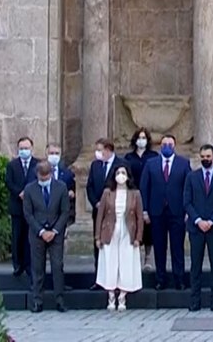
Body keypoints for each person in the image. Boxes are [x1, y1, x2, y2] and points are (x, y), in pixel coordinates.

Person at [139, 134, 190, 290]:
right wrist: (145, 210)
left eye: (170, 143)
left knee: (177, 247)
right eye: (164, 144)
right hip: (156, 212)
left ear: (174, 146)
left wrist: (187, 209)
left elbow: (188, 188)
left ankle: (179, 279)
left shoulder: (183, 163)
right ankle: (160, 279)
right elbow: (144, 187)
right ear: (160, 146)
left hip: (177, 211)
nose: (167, 146)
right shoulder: (151, 164)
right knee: (159, 247)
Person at [183, 145, 213, 311]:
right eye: (203, 156)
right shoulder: (191, 177)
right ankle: (195, 301)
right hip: (196, 228)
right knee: (195, 266)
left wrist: (211, 221)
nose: (205, 159)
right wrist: (198, 220)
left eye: (208, 156)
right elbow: (187, 202)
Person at [94, 164, 143, 312]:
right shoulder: (107, 193)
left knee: (126, 263)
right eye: (118, 173)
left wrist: (138, 238)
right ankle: (110, 296)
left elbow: (139, 217)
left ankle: (122, 295)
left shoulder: (135, 194)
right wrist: (97, 237)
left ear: (128, 176)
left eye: (123, 173)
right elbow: (100, 216)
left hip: (128, 232)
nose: (120, 175)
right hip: (110, 232)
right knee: (110, 262)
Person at [24, 160, 71, 313]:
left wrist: (55, 230)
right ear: (37, 174)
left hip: (56, 234)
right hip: (37, 234)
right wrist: (41, 232)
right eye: (41, 177)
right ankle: (37, 300)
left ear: (51, 173)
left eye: (46, 177)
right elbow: (28, 214)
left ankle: (60, 300)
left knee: (57, 266)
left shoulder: (61, 187)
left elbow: (65, 212)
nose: (43, 180)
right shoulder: (30, 189)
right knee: (37, 268)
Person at [4, 136, 39, 278]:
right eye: (22, 148)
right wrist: (19, 192)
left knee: (29, 239)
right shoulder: (12, 165)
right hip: (17, 207)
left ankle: (29, 265)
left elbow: (38, 180)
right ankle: (17, 265)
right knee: (17, 237)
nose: (24, 151)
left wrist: (28, 193)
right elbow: (9, 182)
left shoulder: (37, 164)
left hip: (32, 208)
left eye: (26, 148)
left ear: (31, 149)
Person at [124, 128, 158, 270]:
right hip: (133, 193)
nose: (141, 140)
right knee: (133, 225)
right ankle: (135, 256)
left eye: (144, 137)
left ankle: (148, 257)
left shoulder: (153, 156)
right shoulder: (129, 157)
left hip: (149, 195)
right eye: (139, 137)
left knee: (148, 227)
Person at [87, 138, 118, 274]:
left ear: (108, 150)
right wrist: (95, 203)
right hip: (98, 212)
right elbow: (90, 186)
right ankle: (99, 276)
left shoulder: (121, 164)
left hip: (115, 211)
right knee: (98, 243)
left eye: (100, 150)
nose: (98, 153)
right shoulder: (95, 165)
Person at [45, 143, 76, 226]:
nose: (54, 156)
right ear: (46, 154)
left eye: (57, 153)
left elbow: (72, 190)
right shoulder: (38, 171)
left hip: (61, 214)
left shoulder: (67, 174)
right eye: (51, 153)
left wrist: (71, 192)